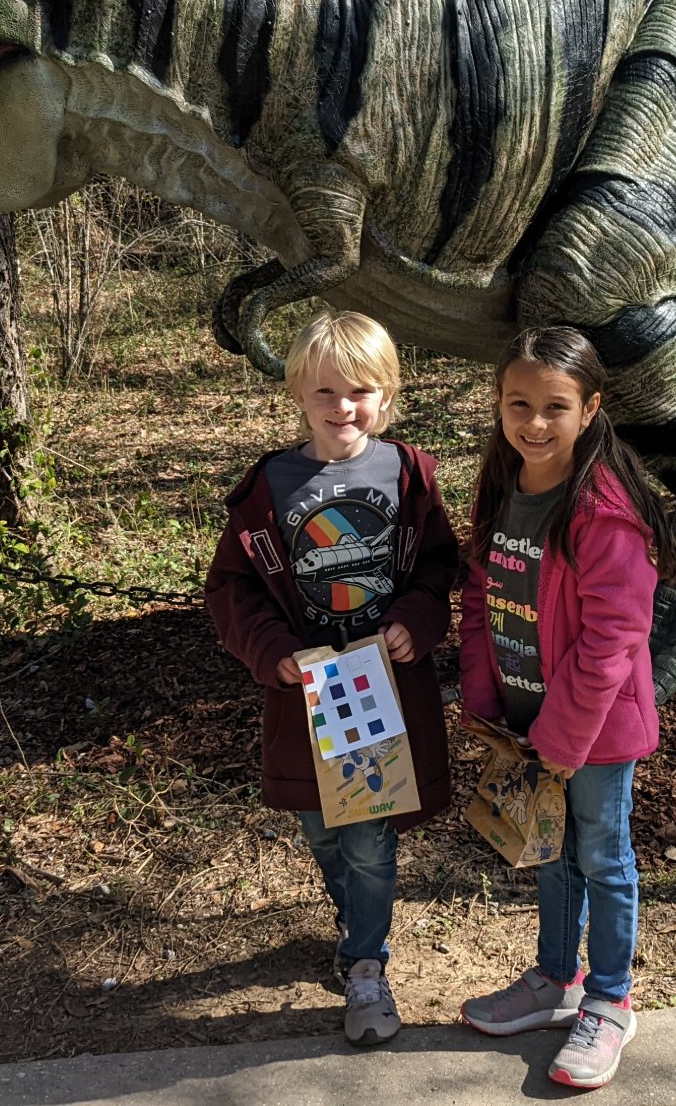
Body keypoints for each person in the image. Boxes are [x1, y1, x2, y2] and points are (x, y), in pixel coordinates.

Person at [202, 310, 458, 1047]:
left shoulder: (408, 475)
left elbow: (441, 565)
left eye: (360, 391)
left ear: (388, 393)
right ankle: (354, 917)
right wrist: (270, 648)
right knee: (322, 828)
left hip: (383, 692)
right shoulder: (270, 485)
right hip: (308, 694)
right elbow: (232, 588)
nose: (343, 408)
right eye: (324, 393)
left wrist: (416, 617)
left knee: (370, 836)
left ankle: (366, 963)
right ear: (296, 395)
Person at [456, 325, 676, 1091]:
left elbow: (615, 636)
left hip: (595, 728)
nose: (535, 422)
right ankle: (558, 978)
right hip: (530, 719)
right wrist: (489, 699)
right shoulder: (507, 487)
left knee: (604, 856)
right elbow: (483, 597)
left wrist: (562, 736)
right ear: (499, 404)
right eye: (519, 403)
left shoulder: (603, 510)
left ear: (590, 410)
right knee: (551, 852)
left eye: (556, 406)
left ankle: (610, 1001)